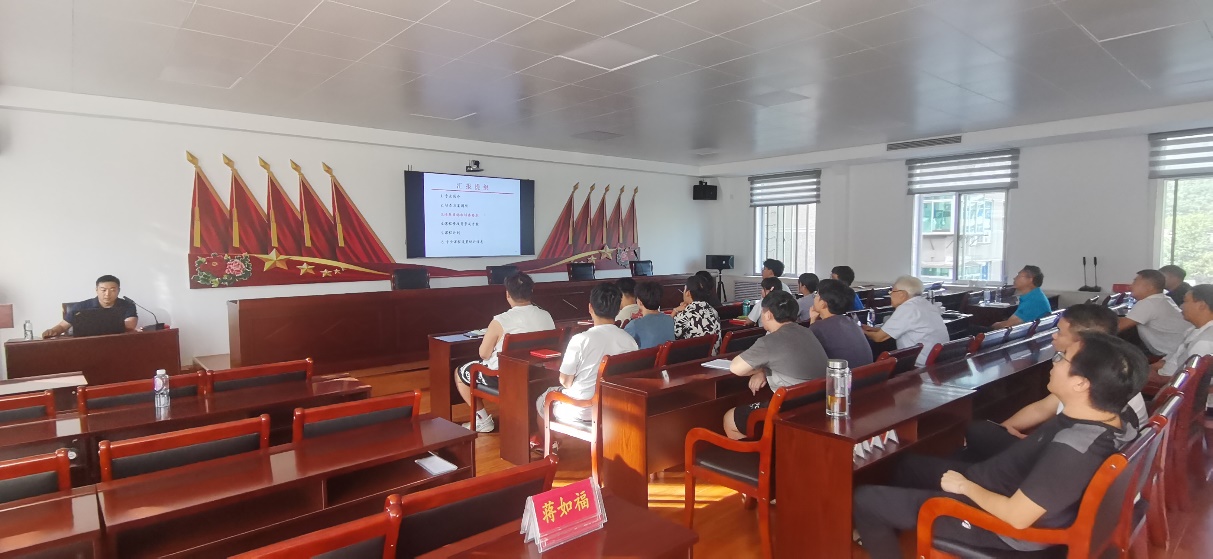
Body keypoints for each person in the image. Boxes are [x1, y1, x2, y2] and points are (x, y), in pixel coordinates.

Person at [853, 332, 1144, 559]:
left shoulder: (1074, 449)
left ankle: (883, 526)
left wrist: (965, 487)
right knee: (906, 465)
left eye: (1062, 357)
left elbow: (1017, 518)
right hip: (996, 484)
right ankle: (887, 528)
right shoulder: (1114, 416)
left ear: (1081, 384)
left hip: (999, 525)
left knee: (865, 499)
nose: (1054, 362)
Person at [962, 304, 1147, 461]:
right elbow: (1042, 409)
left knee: (977, 434)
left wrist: (1030, 442)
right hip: (1071, 453)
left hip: (1068, 460)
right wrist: (1004, 429)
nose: (1054, 336)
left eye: (1059, 331)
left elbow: (1076, 445)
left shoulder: (1097, 381)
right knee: (984, 433)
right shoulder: (1108, 369)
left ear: (1082, 341)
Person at [455, 272, 555, 433]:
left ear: (508, 294)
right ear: (531, 291)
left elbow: (483, 354)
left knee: (460, 372)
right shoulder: (546, 315)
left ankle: (482, 420)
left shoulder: (500, 320)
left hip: (505, 378)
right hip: (536, 375)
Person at [723, 290, 829, 440]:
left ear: (768, 315)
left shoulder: (769, 341)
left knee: (729, 418)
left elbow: (736, 368)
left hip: (789, 409)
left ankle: (759, 454)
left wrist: (759, 370)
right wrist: (763, 370)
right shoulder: (807, 332)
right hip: (816, 405)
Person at [535, 283, 637, 427]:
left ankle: (550, 441)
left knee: (544, 398)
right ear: (619, 308)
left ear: (590, 308)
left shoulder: (580, 339)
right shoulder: (629, 340)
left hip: (583, 408)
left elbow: (565, 381)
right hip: (614, 406)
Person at [862, 275, 949, 367]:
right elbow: (898, 329)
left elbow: (878, 338)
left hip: (919, 365)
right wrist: (871, 329)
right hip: (937, 360)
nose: (890, 295)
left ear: (902, 294)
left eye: (892, 291)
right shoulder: (924, 303)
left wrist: (859, 331)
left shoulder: (907, 308)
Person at [1119, 269, 1192, 357]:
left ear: (1149, 287)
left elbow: (1118, 326)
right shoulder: (1163, 299)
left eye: (1135, 282)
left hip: (1171, 354)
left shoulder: (1149, 303)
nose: (1130, 286)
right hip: (1180, 348)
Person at [1153, 285, 1213, 390]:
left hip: (1173, 388)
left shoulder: (1204, 341)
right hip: (1166, 377)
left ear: (1201, 305)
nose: (1181, 306)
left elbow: (1189, 382)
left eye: (1185, 301)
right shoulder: (1193, 330)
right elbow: (1171, 360)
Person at [42, 275, 138, 338]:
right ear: (96, 290)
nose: (107, 294)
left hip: (117, 343)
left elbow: (130, 326)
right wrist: (52, 331)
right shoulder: (81, 306)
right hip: (87, 345)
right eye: (103, 290)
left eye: (112, 290)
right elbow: (62, 326)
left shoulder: (127, 305)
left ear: (118, 291)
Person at [809, 279, 874, 369]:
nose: (814, 297)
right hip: (867, 373)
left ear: (823, 304)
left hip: (845, 376)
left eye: (816, 294)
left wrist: (812, 320)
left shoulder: (818, 328)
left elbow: (808, 353)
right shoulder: (851, 321)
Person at [673, 275, 722, 353]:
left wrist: (674, 311)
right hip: (713, 357)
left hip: (693, 358)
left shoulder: (686, 314)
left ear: (688, 293)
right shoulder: (713, 311)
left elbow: (670, 334)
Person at [624, 281, 676, 350]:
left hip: (646, 357)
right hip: (670, 356)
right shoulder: (669, 319)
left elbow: (621, 343)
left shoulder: (635, 324)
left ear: (639, 302)